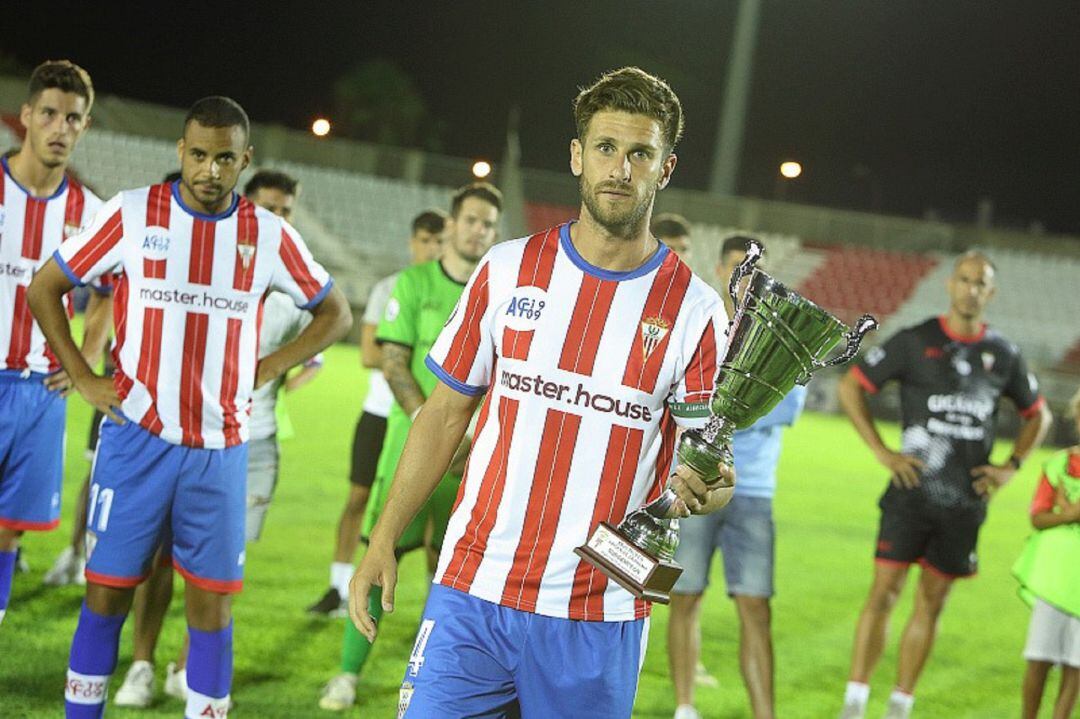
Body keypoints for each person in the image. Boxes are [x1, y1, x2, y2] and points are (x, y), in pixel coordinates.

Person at [349, 66, 735, 719]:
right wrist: (385, 535)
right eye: (606, 148)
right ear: (578, 156)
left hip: (601, 609)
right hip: (473, 589)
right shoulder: (507, 269)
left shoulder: (696, 311)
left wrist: (710, 485)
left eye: (641, 152)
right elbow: (443, 414)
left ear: (665, 168)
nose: (621, 167)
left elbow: (714, 469)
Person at [27, 96, 351, 718]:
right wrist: (86, 378)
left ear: (244, 160)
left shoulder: (268, 232)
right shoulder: (132, 214)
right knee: (105, 597)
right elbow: (46, 286)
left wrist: (271, 366)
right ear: (181, 152)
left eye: (224, 158)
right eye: (198, 155)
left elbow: (334, 312)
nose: (209, 169)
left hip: (220, 452)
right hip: (136, 441)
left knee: (212, 607)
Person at [109, 168, 326, 708]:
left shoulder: (289, 283)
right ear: (246, 206)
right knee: (156, 559)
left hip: (254, 444)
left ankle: (185, 666)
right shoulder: (214, 264)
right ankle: (140, 663)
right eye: (267, 205)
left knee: (212, 576)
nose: (277, 216)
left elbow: (322, 340)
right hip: (183, 434)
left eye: (286, 209)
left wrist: (272, 371)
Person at [836, 250, 1052, 719]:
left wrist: (1011, 465)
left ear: (990, 293)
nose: (971, 289)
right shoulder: (916, 341)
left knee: (931, 604)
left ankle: (900, 705)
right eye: (965, 279)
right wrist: (881, 451)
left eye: (981, 283)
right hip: (910, 494)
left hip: (964, 504)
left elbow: (1039, 415)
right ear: (950, 285)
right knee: (884, 593)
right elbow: (851, 385)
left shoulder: (1005, 355)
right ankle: (854, 702)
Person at [319, 186, 500, 711]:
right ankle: (348, 674)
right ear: (451, 222)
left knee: (453, 573)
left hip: (472, 460)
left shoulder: (500, 291)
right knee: (380, 553)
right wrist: (431, 422)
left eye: (488, 224)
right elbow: (393, 358)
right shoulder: (413, 282)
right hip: (413, 450)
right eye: (470, 220)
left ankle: (437, 682)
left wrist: (469, 437)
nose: (478, 231)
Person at [667, 235, 807, 719]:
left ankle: (765, 714)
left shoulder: (786, 339)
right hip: (697, 484)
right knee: (684, 597)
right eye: (738, 269)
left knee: (756, 605)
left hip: (753, 492)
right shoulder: (704, 324)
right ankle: (685, 706)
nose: (748, 281)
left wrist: (722, 405)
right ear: (723, 271)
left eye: (757, 273)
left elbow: (784, 408)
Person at [0, 60, 108, 625]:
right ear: (26, 118)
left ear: (85, 126)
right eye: (49, 114)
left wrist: (86, 358)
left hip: (41, 390)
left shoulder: (89, 214)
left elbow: (110, 291)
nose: (60, 127)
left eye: (73, 117)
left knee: (9, 530)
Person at [45, 171, 183, 589]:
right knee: (98, 472)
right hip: (124, 386)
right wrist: (86, 365)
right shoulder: (136, 241)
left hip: (182, 400)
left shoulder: (210, 259)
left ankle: (141, 571)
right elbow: (94, 292)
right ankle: (76, 552)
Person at [308, 209, 447, 617]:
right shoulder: (392, 287)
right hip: (380, 412)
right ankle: (337, 586)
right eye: (425, 240)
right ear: (412, 242)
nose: (431, 249)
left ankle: (431, 605)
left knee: (431, 512)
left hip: (423, 419)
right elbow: (371, 352)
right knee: (359, 499)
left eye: (439, 242)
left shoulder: (458, 289)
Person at [1013, 387, 1080, 719]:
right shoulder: (1059, 464)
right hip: (1054, 575)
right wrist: (1068, 516)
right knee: (1039, 657)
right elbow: (1037, 517)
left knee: (1076, 664)